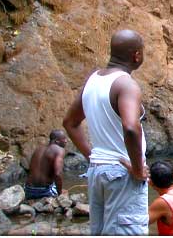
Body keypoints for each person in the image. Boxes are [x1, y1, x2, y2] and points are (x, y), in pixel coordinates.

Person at [63, 29, 150, 235]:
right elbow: (130, 127)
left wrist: (92, 156)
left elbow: (70, 123)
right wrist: (138, 168)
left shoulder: (93, 80)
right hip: (121, 173)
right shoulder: (126, 85)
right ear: (136, 55)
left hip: (97, 172)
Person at [24, 130, 67, 200]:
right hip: (44, 191)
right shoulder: (59, 150)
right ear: (57, 141)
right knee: (64, 192)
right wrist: (60, 194)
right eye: (64, 139)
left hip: (28, 189)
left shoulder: (38, 149)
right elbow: (58, 174)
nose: (66, 141)